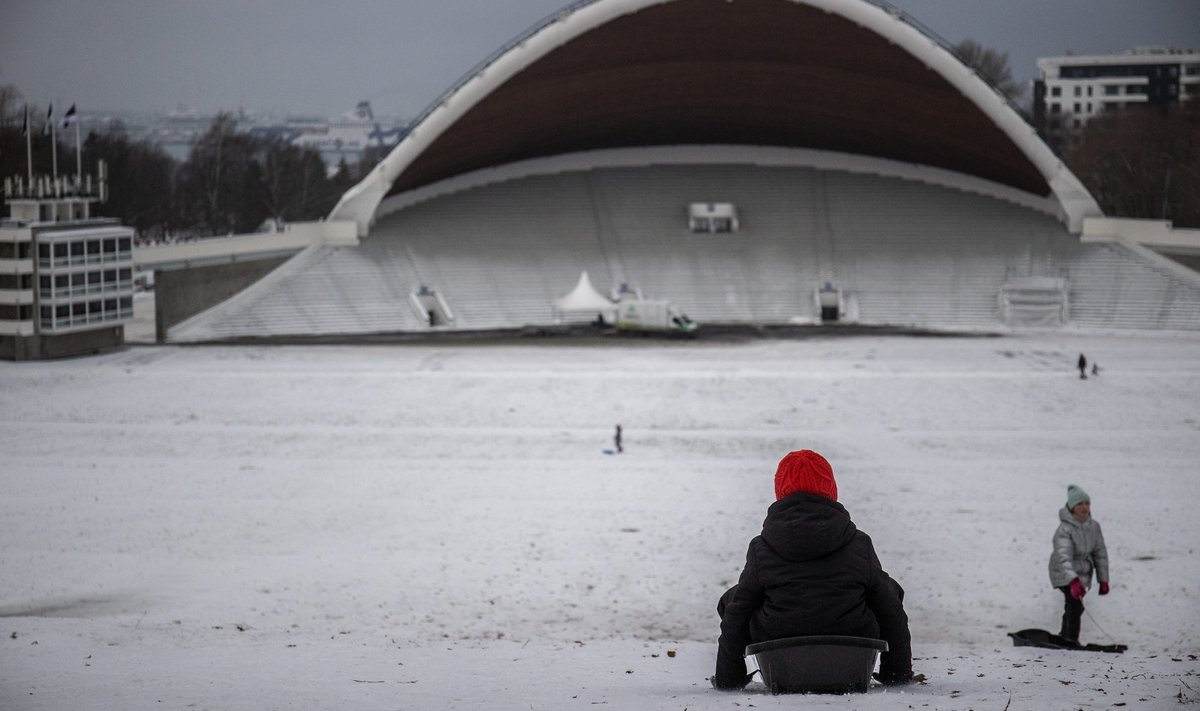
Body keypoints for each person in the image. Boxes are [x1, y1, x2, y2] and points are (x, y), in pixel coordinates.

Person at [712, 450, 912, 690]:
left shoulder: (761, 546)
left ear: (781, 493)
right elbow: (891, 611)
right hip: (851, 640)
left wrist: (728, 678)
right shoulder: (860, 543)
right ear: (830, 490)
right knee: (888, 590)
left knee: (733, 599)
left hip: (778, 642)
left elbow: (738, 614)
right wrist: (896, 673)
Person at [1049, 484, 1110, 645]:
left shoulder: (1094, 527)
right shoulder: (1065, 529)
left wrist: (1103, 579)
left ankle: (1064, 636)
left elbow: (1100, 554)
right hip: (1062, 572)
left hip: (1082, 573)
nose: (1084, 507)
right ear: (1072, 507)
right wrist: (1073, 580)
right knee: (1074, 605)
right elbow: (1064, 557)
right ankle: (1071, 640)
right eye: (1080, 504)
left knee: (1075, 607)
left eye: (1087, 503)